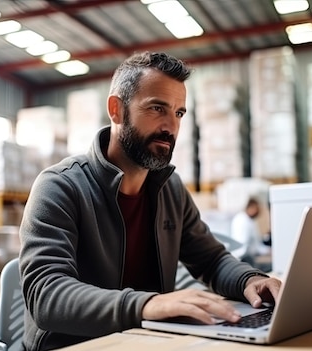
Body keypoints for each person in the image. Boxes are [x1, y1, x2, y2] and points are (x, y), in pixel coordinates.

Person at [18, 51, 282, 351]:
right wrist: (148, 305)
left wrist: (249, 280)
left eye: (179, 112)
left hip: (149, 341)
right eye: (157, 108)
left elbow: (211, 259)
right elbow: (46, 296)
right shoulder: (60, 186)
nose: (171, 127)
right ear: (116, 109)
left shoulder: (170, 188)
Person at [230, 197, 271, 268]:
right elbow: (244, 244)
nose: (258, 211)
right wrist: (267, 251)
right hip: (244, 258)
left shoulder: (246, 219)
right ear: (251, 207)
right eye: (257, 209)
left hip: (245, 256)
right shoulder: (243, 221)